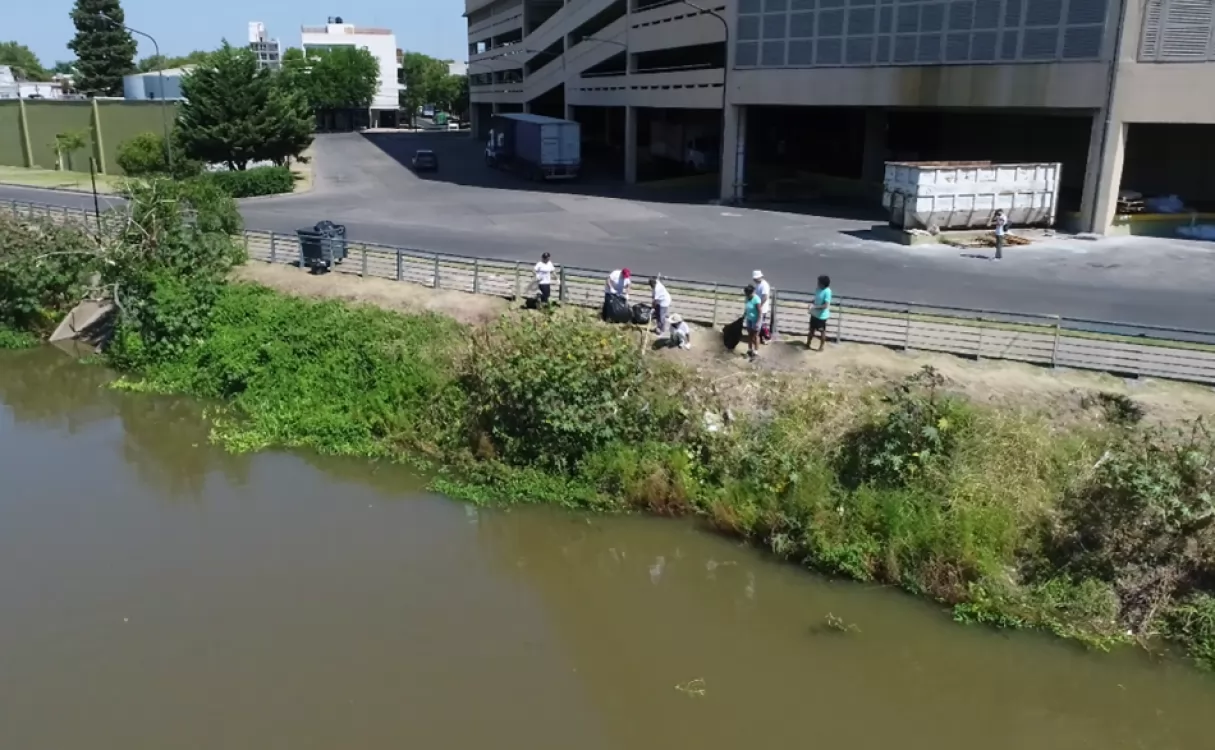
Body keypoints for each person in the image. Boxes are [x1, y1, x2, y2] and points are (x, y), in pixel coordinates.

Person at [809, 274, 832, 352]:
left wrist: (814, 307)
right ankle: (808, 343)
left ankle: (821, 347)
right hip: (814, 314)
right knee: (811, 329)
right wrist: (812, 302)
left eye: (819, 282)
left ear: (823, 284)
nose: (817, 283)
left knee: (822, 331)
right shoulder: (818, 289)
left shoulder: (828, 292)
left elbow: (826, 305)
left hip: (821, 316)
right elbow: (816, 298)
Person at [752, 269, 773, 343]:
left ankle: (766, 337)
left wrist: (759, 305)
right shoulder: (758, 284)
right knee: (760, 323)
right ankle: (762, 337)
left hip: (762, 308)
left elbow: (765, 296)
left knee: (760, 324)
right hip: (758, 307)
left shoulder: (764, 285)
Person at [743, 284, 761, 361]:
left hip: (755, 319)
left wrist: (758, 322)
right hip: (749, 319)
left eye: (748, 294)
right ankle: (750, 350)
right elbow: (746, 308)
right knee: (749, 335)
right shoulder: (747, 298)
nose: (747, 295)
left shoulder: (756, 300)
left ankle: (756, 352)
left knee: (755, 336)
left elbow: (760, 312)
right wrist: (744, 315)